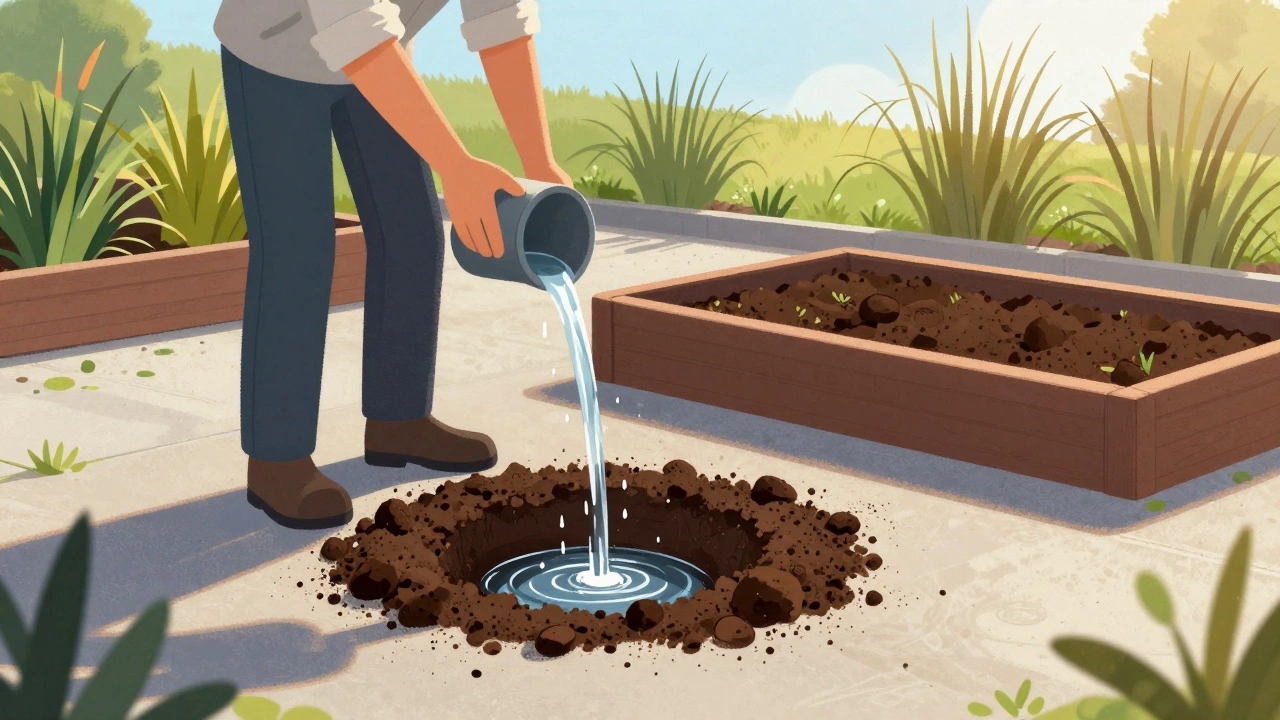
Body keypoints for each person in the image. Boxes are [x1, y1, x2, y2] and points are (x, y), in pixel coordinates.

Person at [213, 0, 570, 529]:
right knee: (297, 255)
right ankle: (277, 460)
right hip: (276, 53)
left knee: (412, 233)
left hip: (380, 55)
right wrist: (456, 167)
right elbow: (353, 28)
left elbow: (499, 19)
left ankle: (399, 419)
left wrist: (538, 160)